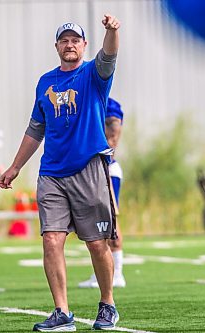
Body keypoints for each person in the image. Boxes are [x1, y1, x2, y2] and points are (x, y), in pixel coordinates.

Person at [0, 15, 121, 332]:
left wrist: (111, 31)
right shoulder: (45, 83)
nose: (70, 44)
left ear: (84, 46)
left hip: (88, 169)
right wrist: (14, 167)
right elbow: (35, 129)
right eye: (64, 40)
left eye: (75, 40)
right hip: (51, 173)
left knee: (96, 243)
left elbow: (109, 56)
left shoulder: (93, 75)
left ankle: (107, 304)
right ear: (56, 46)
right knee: (51, 240)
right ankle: (62, 313)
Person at [79, 97, 126, 288]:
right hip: (92, 170)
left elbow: (112, 139)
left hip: (106, 169)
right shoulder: (86, 99)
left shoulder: (109, 104)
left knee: (110, 220)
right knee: (97, 223)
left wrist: (102, 169)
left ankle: (117, 274)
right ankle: (103, 273)